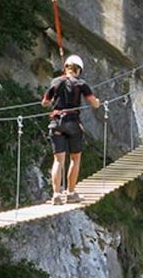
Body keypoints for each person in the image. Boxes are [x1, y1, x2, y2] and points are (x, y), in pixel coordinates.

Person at [41, 54, 101, 205]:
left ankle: (56, 195)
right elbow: (94, 104)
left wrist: (55, 99)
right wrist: (98, 102)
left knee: (58, 161)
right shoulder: (81, 84)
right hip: (73, 123)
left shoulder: (56, 82)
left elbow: (45, 102)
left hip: (57, 123)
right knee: (75, 159)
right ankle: (71, 193)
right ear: (78, 70)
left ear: (66, 67)